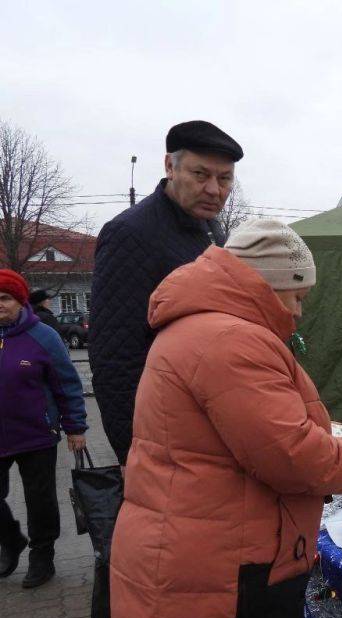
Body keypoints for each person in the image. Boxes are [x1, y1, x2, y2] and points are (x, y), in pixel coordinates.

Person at [110, 219, 342, 618]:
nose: (299, 311)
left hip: (198, 557)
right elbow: (293, 456)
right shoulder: (231, 339)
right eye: (296, 296)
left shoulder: (198, 325)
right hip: (232, 572)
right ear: (266, 284)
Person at [90, 119, 243, 465]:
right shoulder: (130, 234)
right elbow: (115, 359)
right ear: (169, 167)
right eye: (200, 175)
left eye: (225, 178)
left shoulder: (211, 229)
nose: (214, 190)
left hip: (209, 423)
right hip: (164, 435)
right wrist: (135, 456)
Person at [0, 270, 87, 588]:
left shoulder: (43, 336)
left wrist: (75, 426)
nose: (0, 305)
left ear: (20, 301)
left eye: (5, 298)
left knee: (40, 500)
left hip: (36, 433)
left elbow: (67, 383)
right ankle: (10, 538)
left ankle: (42, 555)